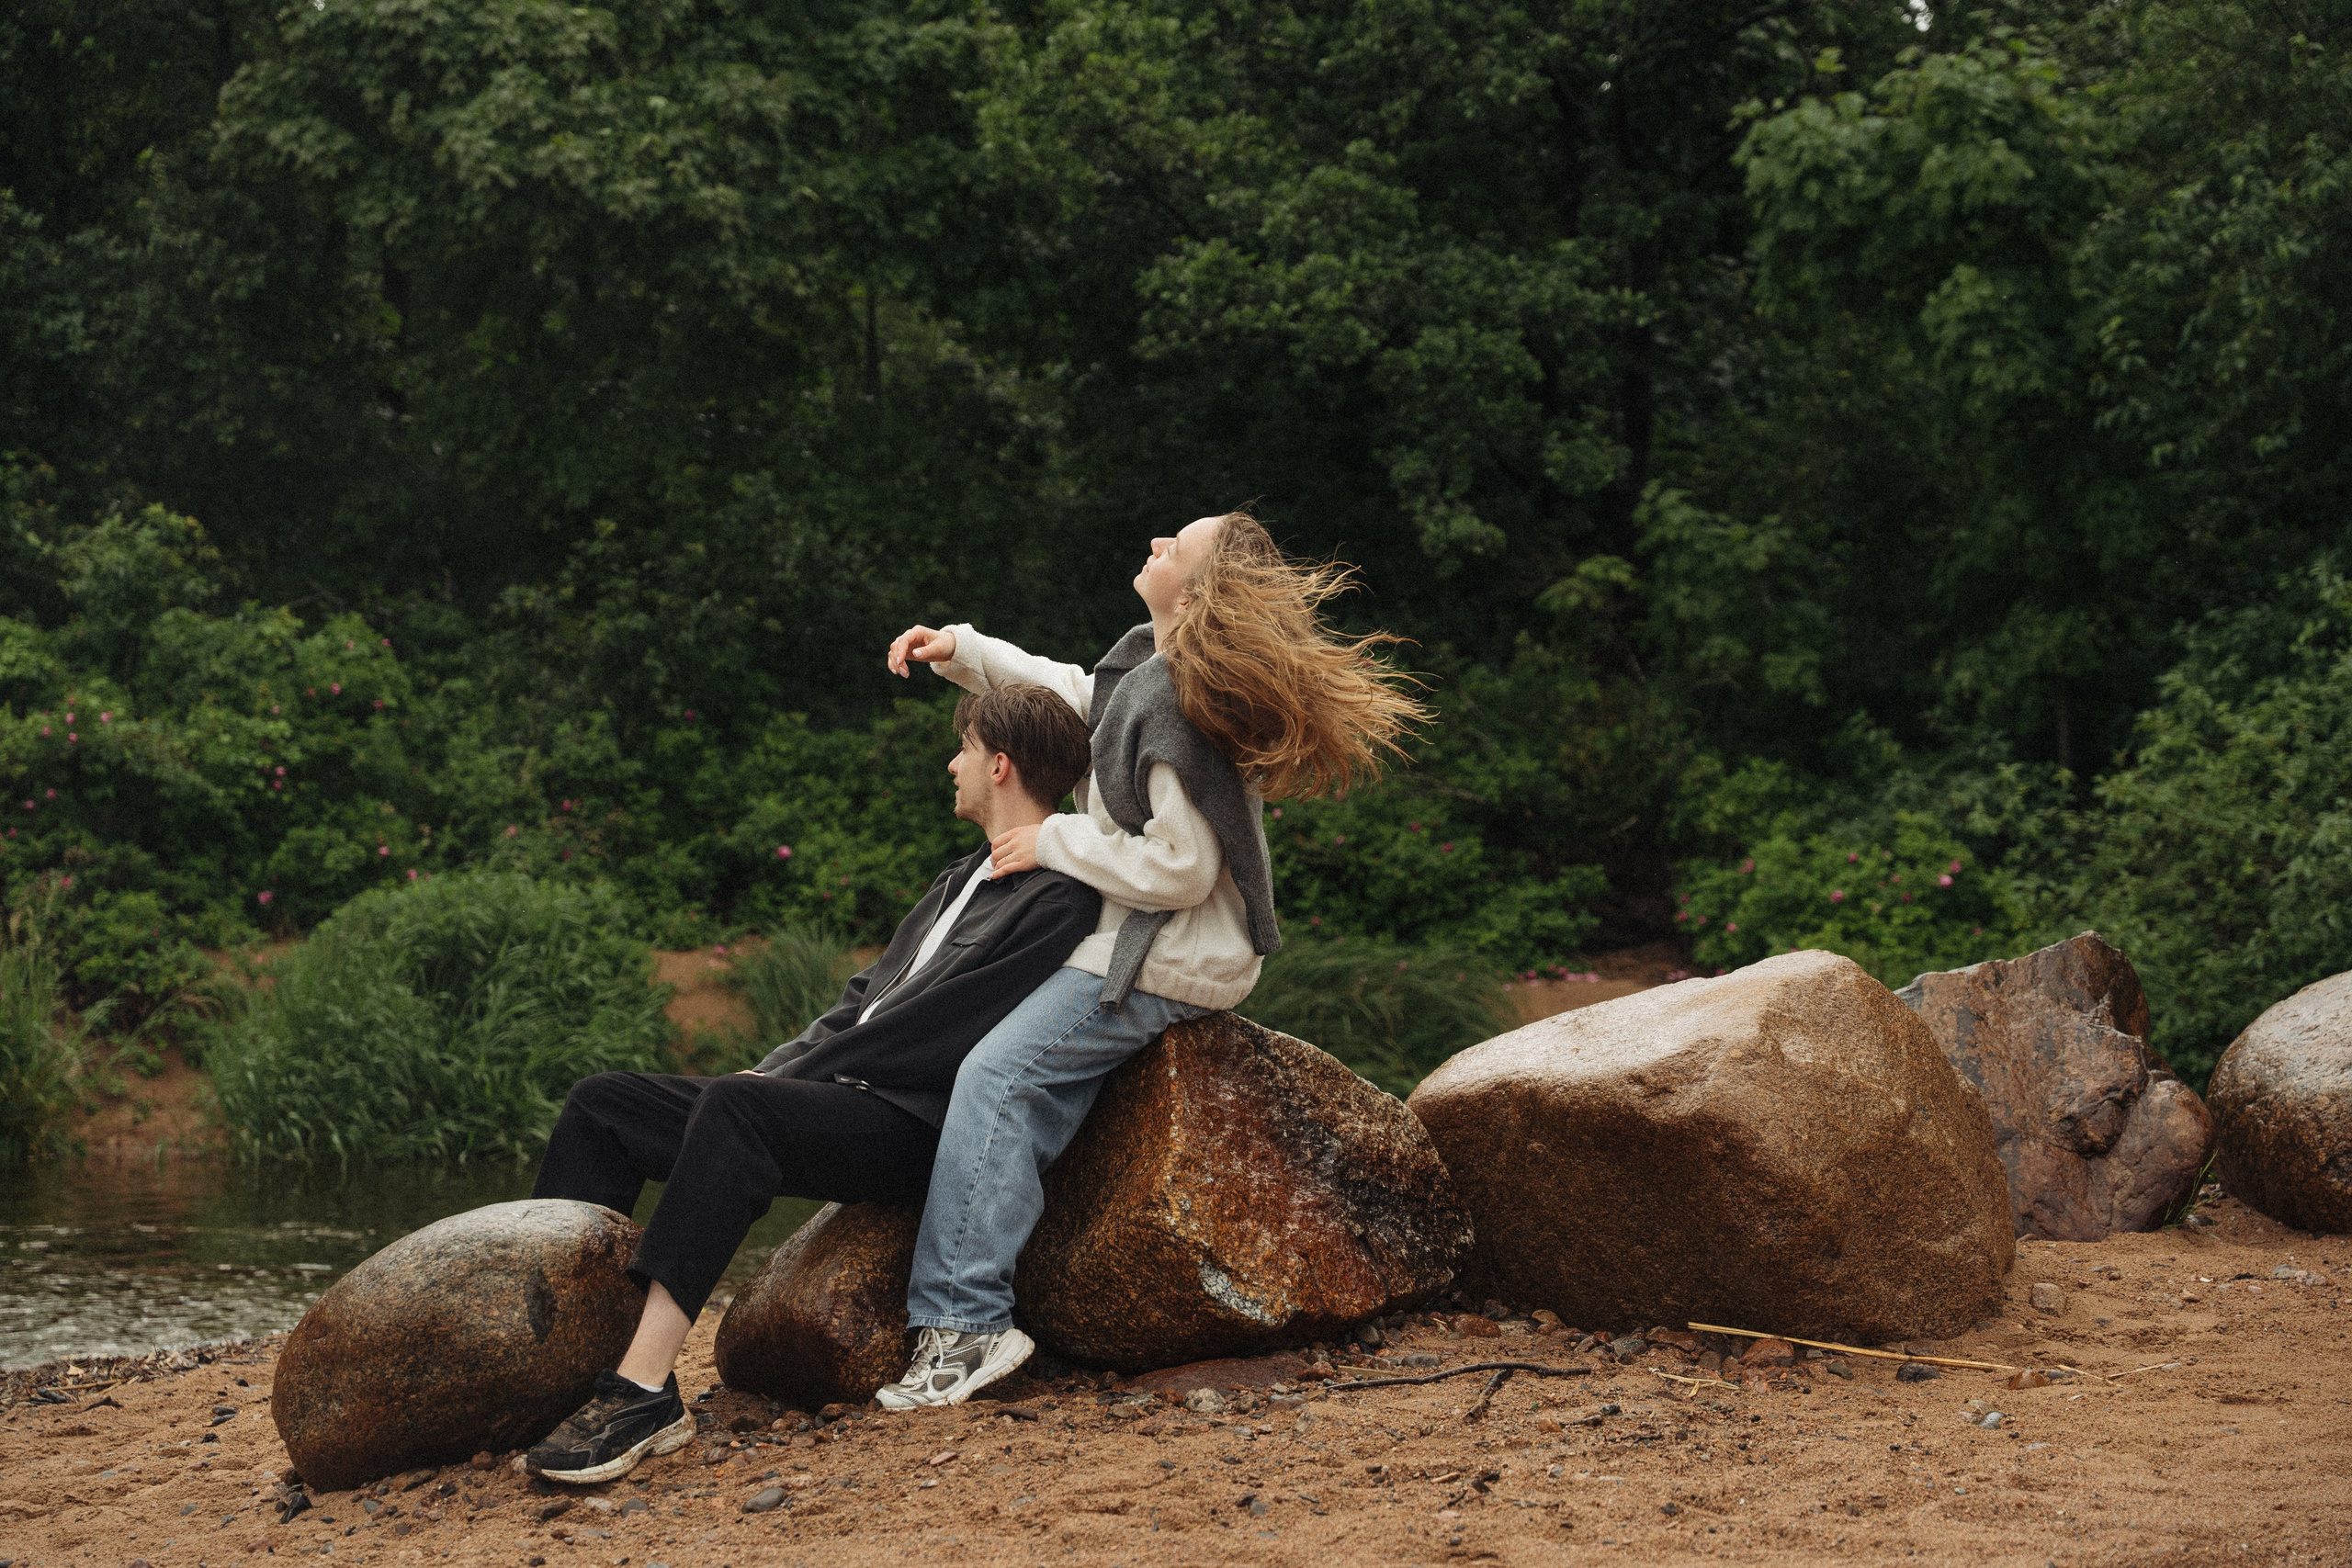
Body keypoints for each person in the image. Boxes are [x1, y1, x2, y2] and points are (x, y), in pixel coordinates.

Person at [872, 510, 1425, 1409]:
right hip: (1138, 935)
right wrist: (963, 652)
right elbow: (1075, 694)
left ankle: (966, 1327)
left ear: (1199, 589)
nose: (1158, 544)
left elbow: (1180, 870)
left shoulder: (1178, 701)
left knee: (999, 1079)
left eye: (1179, 546)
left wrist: (1055, 841)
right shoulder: (1149, 669)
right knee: (981, 1049)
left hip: (1169, 952)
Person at [521, 684, 1102, 1483]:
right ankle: (549, 1368)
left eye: (963, 747)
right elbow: (864, 999)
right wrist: (778, 1063)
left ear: (1000, 766)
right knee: (603, 1105)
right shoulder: (959, 877)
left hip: (909, 1122)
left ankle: (645, 1391)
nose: (951, 762)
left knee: (740, 1109)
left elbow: (936, 1032)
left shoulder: (1060, 896)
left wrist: (784, 1081)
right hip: (837, 1089)